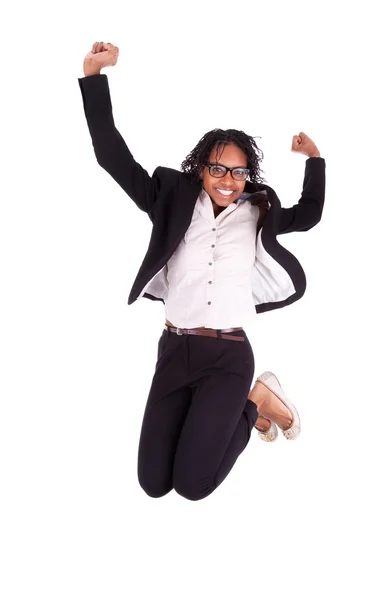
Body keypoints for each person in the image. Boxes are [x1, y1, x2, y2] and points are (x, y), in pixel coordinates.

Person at [78, 41, 326, 501]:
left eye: (238, 172)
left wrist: (314, 160)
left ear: (247, 176)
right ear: (200, 167)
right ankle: (233, 410)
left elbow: (309, 213)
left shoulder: (259, 212)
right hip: (174, 351)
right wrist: (93, 77)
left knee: (193, 485)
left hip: (228, 358)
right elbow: (112, 156)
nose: (228, 181)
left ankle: (257, 400)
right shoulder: (169, 197)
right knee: (154, 484)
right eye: (218, 168)